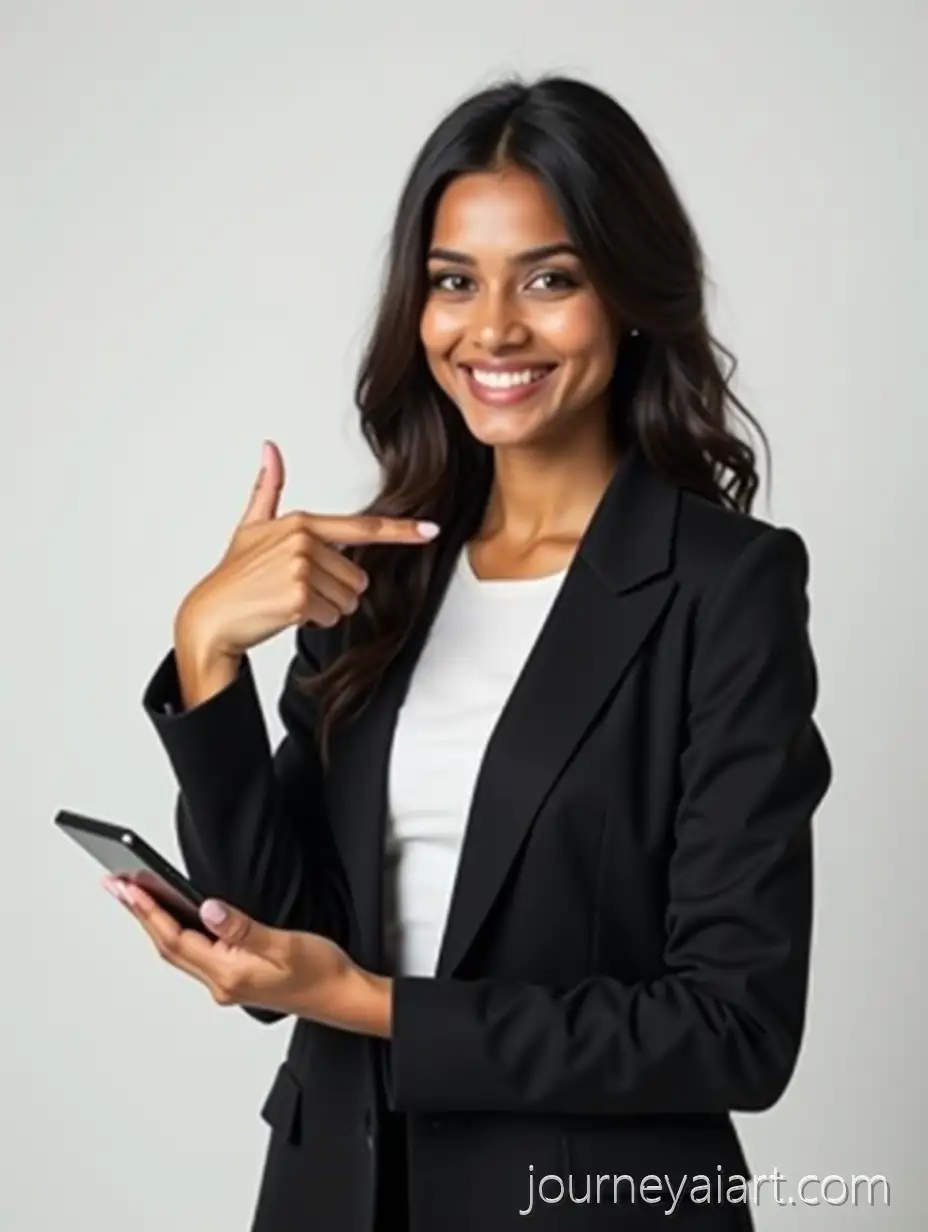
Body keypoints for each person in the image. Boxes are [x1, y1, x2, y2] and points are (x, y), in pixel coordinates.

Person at [102, 74, 832, 1230]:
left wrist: (374, 1002)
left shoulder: (723, 586)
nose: (491, 329)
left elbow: (733, 1029)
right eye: (453, 282)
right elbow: (288, 924)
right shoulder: (380, 570)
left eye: (549, 278)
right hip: (331, 1192)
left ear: (630, 296)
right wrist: (206, 654)